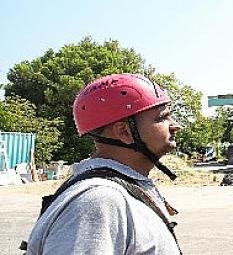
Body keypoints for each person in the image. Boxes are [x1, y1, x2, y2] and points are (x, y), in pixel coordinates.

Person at [24, 73, 183, 254]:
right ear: (124, 132)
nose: (175, 125)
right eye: (162, 117)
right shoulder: (98, 201)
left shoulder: (120, 190)